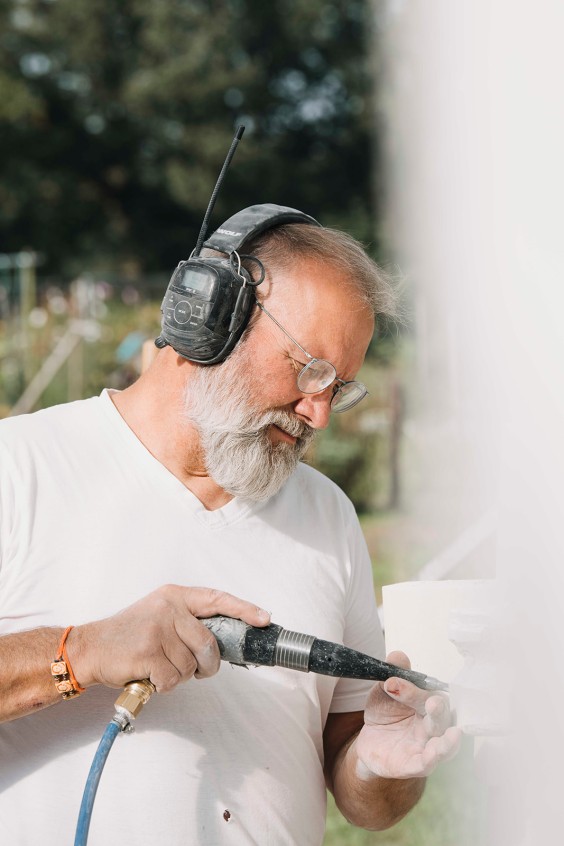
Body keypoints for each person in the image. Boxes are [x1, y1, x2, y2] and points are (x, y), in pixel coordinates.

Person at [0, 216, 460, 845]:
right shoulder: (20, 468)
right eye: (309, 370)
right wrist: (80, 653)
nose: (318, 413)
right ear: (210, 316)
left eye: (340, 388)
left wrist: (381, 764)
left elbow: (359, 793)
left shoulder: (327, 515)